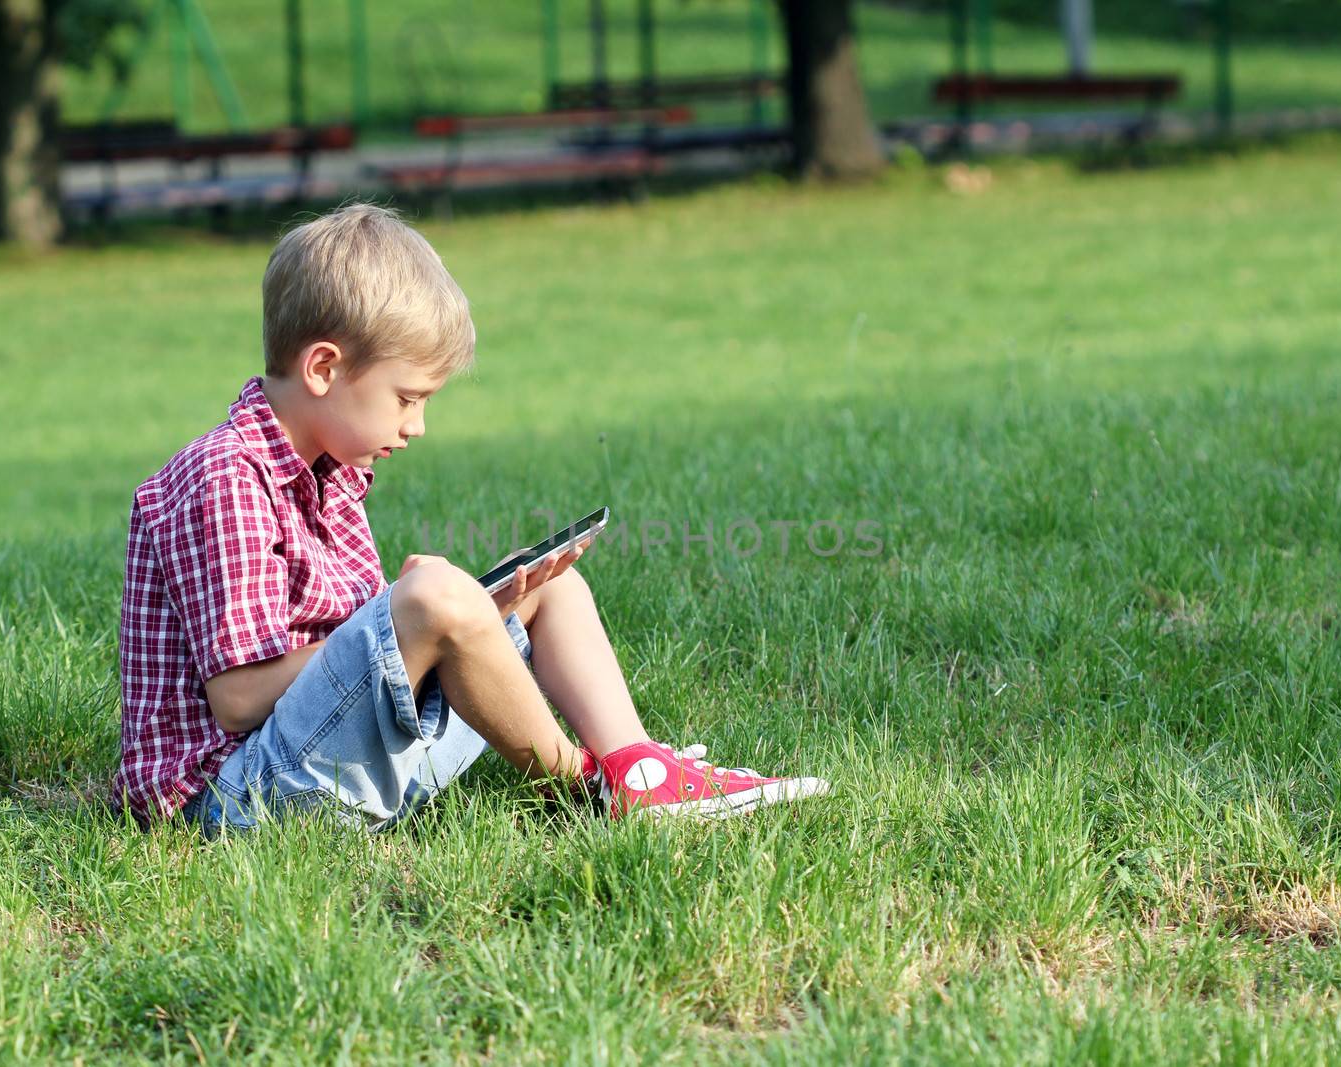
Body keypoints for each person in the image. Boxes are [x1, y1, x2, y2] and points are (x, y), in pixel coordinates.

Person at [110, 203, 828, 834]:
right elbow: (237, 699)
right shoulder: (226, 477)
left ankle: (637, 767)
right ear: (324, 368)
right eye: (408, 397)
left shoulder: (335, 474)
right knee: (433, 595)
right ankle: (590, 787)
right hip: (228, 803)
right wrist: (402, 622)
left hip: (316, 761)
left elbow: (351, 662)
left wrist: (445, 624)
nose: (417, 425)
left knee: (549, 586)